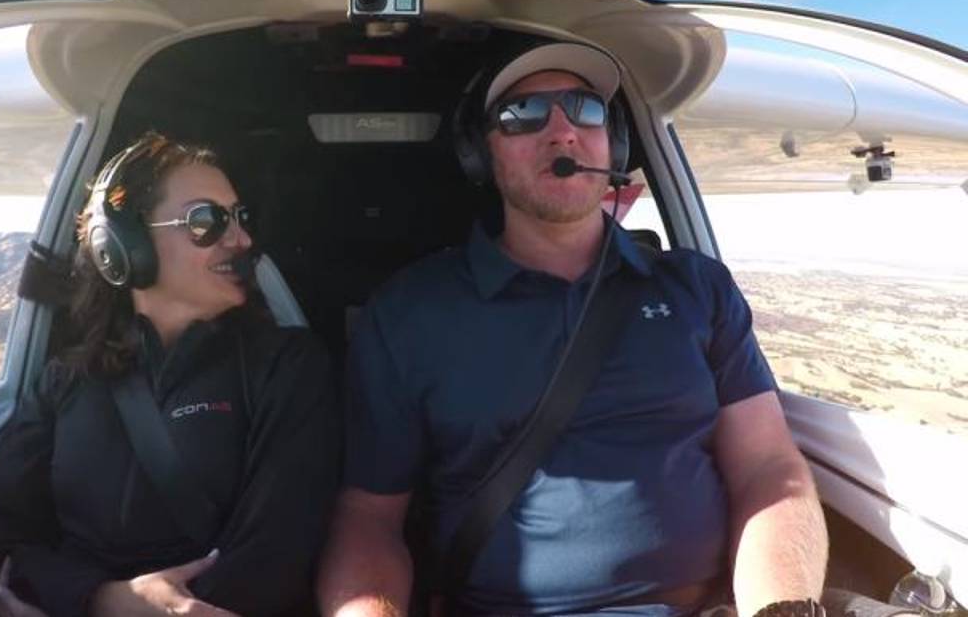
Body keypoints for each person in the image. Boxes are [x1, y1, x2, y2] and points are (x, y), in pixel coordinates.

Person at [317, 42, 830, 617]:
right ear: (480, 154)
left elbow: (769, 469)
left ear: (613, 143)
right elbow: (369, 517)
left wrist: (780, 608)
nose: (562, 132)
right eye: (523, 114)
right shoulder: (412, 311)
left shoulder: (697, 288)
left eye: (585, 109)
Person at [0, 131, 340, 617]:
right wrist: (104, 599)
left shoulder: (288, 366)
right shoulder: (67, 379)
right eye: (206, 221)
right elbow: (4, 535)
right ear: (123, 244)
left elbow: (273, 555)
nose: (241, 240)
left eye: (239, 217)